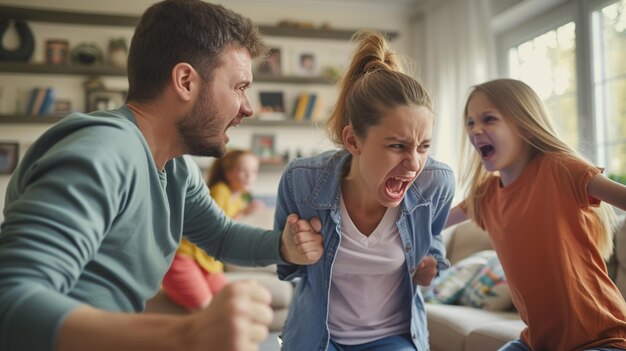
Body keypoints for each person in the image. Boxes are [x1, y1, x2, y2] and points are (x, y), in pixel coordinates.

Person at [0, 1, 324, 351]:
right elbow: (10, 300)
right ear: (186, 81)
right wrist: (188, 335)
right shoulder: (105, 149)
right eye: (239, 87)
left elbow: (222, 236)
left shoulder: (175, 167)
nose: (247, 107)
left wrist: (283, 246)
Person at [274, 30, 455, 351]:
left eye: (424, 146)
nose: (414, 164)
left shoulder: (435, 184)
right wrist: (290, 247)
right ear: (353, 140)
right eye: (397, 145)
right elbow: (288, 269)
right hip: (318, 337)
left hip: (393, 338)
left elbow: (433, 241)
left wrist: (430, 264)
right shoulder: (301, 181)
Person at [446, 78, 626, 351]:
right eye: (470, 122)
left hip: (602, 338)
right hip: (536, 342)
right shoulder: (486, 196)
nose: (475, 130)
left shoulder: (561, 170)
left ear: (525, 126)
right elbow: (433, 222)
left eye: (489, 119)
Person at [162, 149, 265, 310]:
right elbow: (216, 229)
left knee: (231, 304)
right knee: (208, 309)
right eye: (243, 170)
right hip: (184, 258)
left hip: (209, 265)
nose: (249, 176)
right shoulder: (220, 191)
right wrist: (243, 213)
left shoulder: (240, 198)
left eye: (253, 171)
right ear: (228, 173)